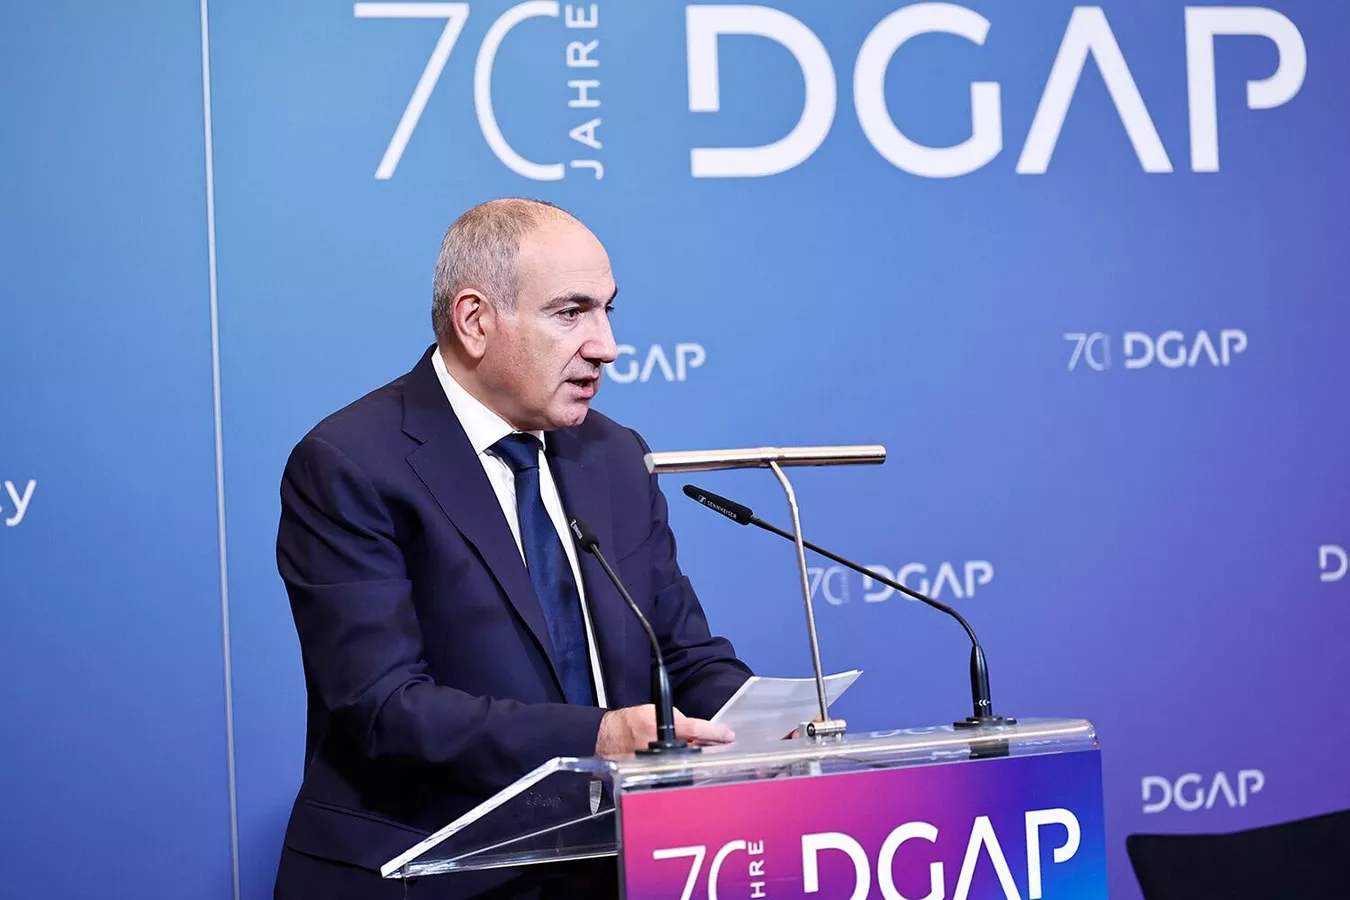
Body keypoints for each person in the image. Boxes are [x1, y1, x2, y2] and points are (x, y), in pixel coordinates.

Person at [272, 198, 753, 899]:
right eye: (571, 313)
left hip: (611, 867)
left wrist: (763, 722)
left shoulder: (615, 455)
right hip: (425, 874)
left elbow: (680, 654)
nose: (606, 345)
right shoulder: (351, 462)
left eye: (608, 311)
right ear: (475, 321)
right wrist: (599, 737)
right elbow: (383, 706)